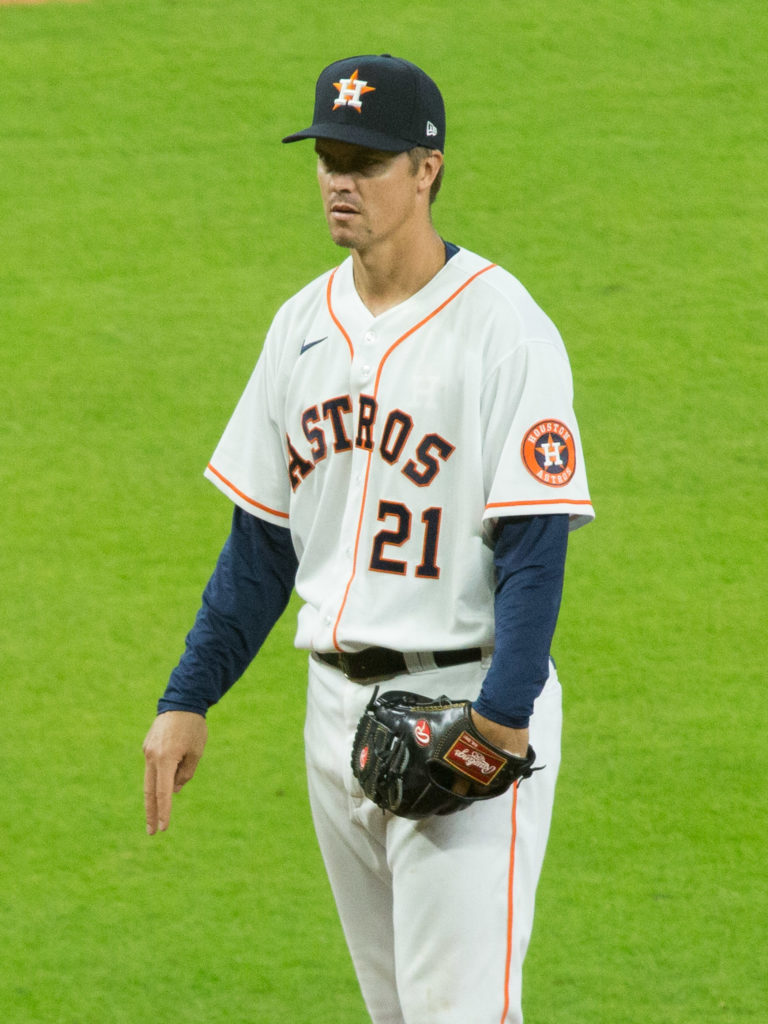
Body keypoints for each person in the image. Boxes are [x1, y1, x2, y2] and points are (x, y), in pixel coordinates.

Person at [143, 53, 594, 1024]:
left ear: (427, 169)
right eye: (327, 159)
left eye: (365, 162)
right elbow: (262, 546)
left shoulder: (505, 330)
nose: (338, 182)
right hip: (333, 718)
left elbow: (534, 544)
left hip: (464, 703)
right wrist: (188, 696)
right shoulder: (299, 327)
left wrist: (502, 717)